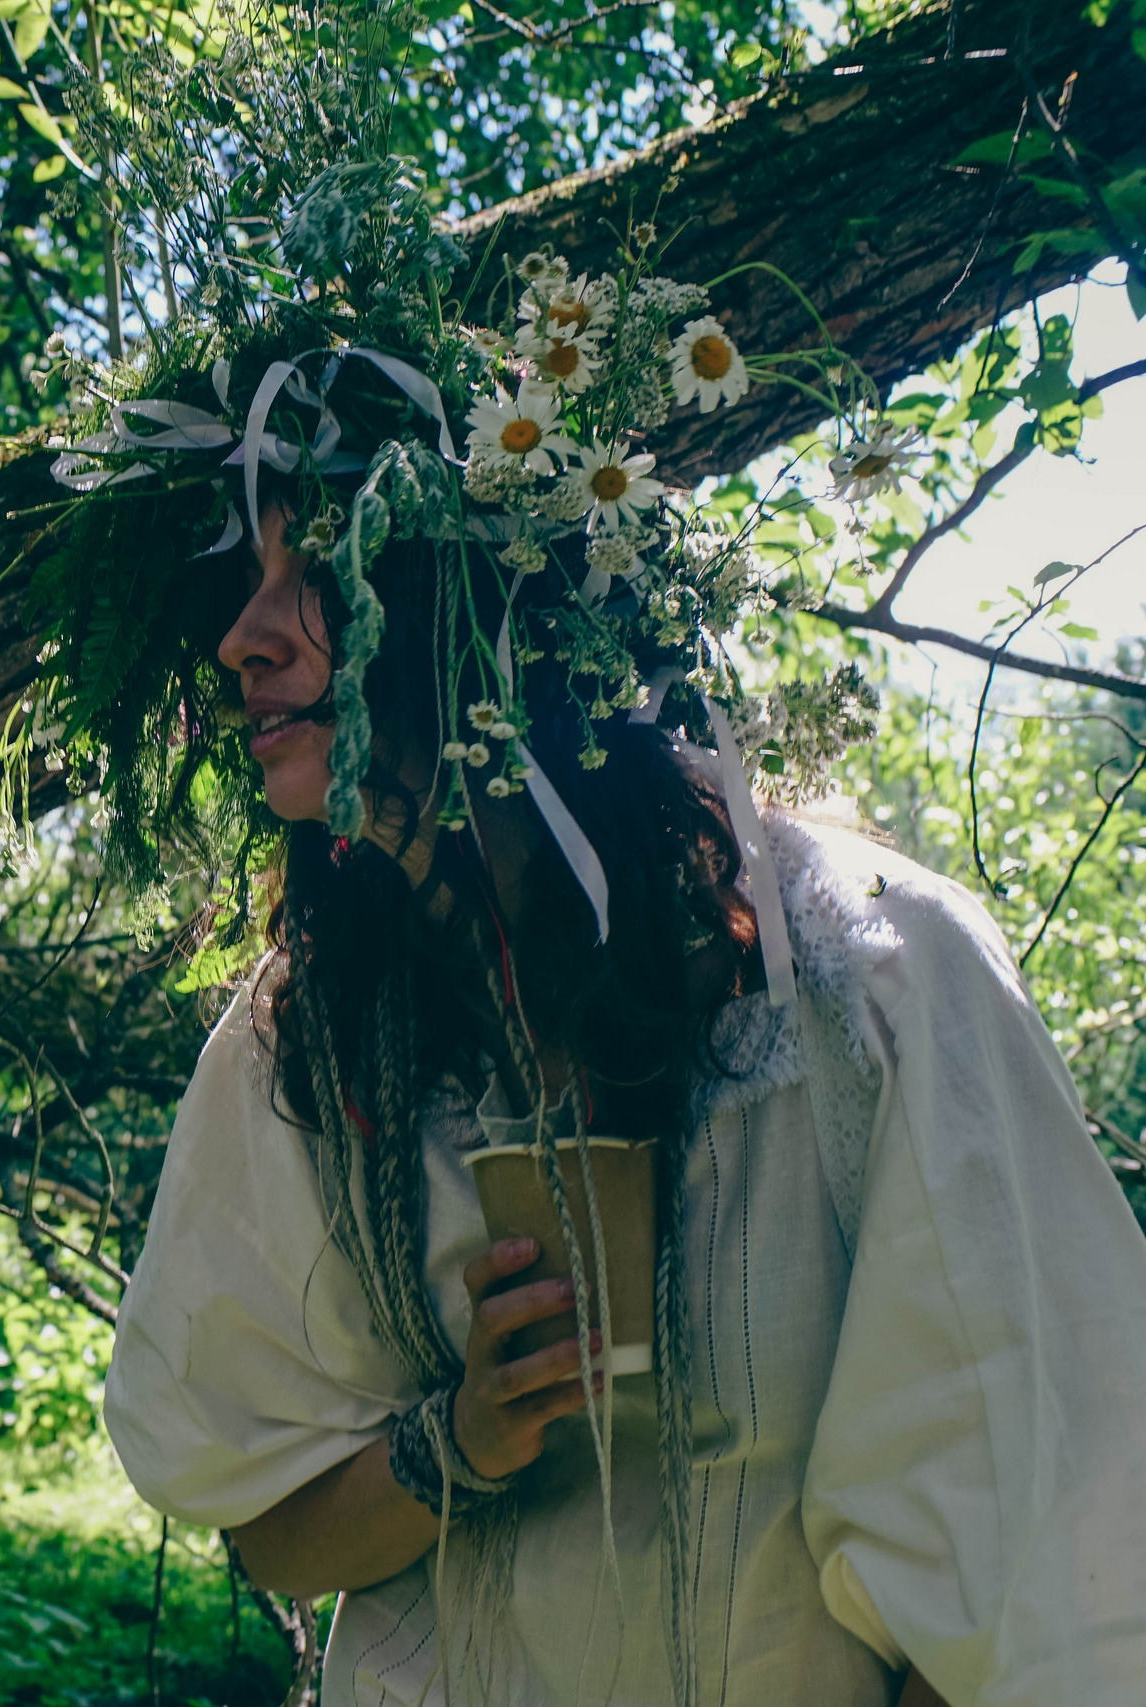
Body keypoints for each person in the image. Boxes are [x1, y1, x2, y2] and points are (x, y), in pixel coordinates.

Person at [96, 488, 1146, 1705]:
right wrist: (462, 1445)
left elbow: (1044, 1550)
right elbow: (269, 1530)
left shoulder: (863, 974)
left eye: (324, 563)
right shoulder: (312, 1041)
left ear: (504, 592)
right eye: (243, 583)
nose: (245, 638)